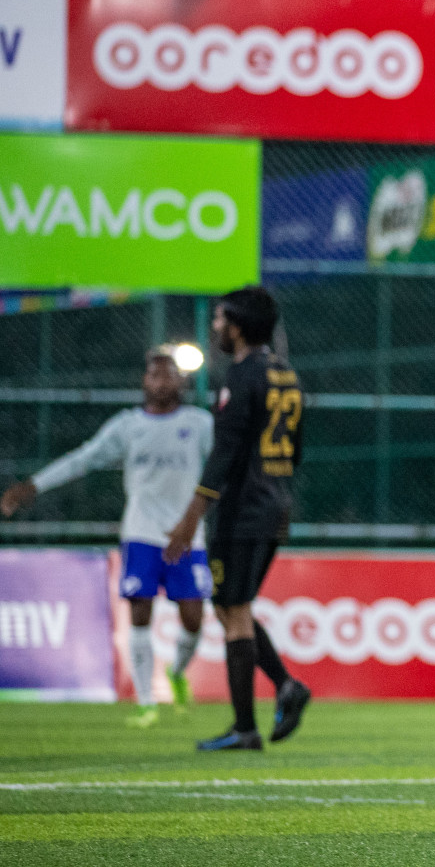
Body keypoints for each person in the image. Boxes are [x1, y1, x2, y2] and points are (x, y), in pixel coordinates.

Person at [1, 347, 213, 727]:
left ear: (181, 381)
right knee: (140, 613)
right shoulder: (128, 426)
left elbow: (221, 472)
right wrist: (34, 485)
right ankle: (147, 702)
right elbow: (84, 458)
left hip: (188, 537)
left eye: (168, 374)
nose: (160, 381)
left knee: (194, 619)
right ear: (144, 381)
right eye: (153, 375)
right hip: (142, 534)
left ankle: (177, 674)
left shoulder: (199, 424)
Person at [163, 286, 310, 752]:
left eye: (221, 319)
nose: (215, 326)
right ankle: (284, 688)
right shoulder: (285, 374)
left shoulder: (243, 375)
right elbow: (296, 448)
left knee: (234, 610)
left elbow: (224, 454)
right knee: (231, 606)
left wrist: (190, 518)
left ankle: (247, 726)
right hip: (273, 500)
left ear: (239, 325)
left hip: (242, 508)